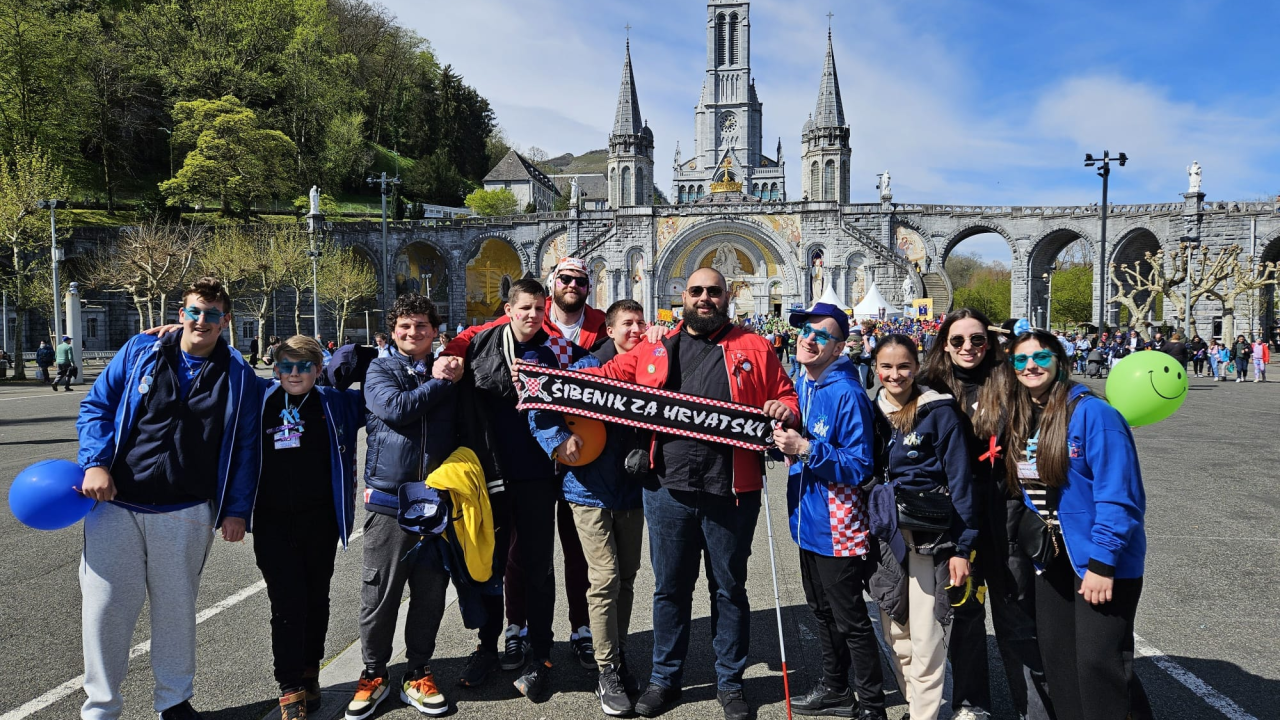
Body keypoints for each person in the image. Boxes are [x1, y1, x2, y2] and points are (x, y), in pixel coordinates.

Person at [586, 267, 800, 720]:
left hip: (732, 489)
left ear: (728, 296)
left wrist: (786, 408)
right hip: (667, 487)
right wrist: (543, 378)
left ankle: (730, 683)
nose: (705, 298)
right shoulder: (656, 344)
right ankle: (665, 679)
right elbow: (601, 376)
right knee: (669, 589)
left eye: (714, 292)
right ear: (683, 296)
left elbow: (788, 396)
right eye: (697, 291)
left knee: (729, 589)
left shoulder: (754, 345)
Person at [75, 277, 260, 720]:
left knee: (176, 612)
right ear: (181, 314)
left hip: (185, 511)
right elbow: (96, 406)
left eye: (212, 314)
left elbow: (246, 448)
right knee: (105, 610)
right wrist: (95, 463)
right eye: (194, 311)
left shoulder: (240, 376)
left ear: (226, 321)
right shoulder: (141, 350)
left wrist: (236, 509)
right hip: (116, 504)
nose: (202, 321)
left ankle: (174, 701)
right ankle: (100, 706)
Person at [445, 258, 603, 677]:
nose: (532, 315)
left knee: (537, 564)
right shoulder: (482, 343)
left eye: (538, 308)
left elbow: (597, 369)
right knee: (489, 563)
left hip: (537, 474)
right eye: (524, 309)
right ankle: (488, 645)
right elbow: (460, 357)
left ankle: (540, 650)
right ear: (509, 310)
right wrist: (450, 356)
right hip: (491, 471)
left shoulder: (554, 351)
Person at [1004, 329, 1152, 720]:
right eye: (1020, 359)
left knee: (1098, 667)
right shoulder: (1025, 414)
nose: (1030, 366)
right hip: (1052, 558)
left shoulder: (1094, 414)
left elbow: (1120, 497)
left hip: (1098, 560)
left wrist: (1103, 564)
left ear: (1061, 361)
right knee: (1061, 664)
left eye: (1040, 357)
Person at [919, 310, 1053, 720]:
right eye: (958, 340)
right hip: (956, 519)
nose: (968, 348)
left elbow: (1052, 408)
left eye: (977, 340)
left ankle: (1035, 710)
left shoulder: (1009, 382)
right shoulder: (929, 387)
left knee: (1017, 621)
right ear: (944, 343)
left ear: (989, 342)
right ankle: (972, 704)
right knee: (964, 618)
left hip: (1006, 515)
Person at [528, 298, 649, 716]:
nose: (635, 330)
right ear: (610, 331)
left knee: (629, 578)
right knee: (605, 579)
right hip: (589, 490)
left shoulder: (654, 371)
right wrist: (559, 441)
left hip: (633, 491)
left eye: (640, 323)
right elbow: (540, 411)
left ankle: (620, 651)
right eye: (626, 324)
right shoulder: (585, 370)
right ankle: (607, 670)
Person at [347, 294, 462, 720]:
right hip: (390, 502)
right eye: (404, 327)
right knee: (380, 593)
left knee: (430, 593)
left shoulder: (451, 369)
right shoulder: (381, 368)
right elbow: (394, 408)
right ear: (393, 331)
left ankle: (418, 671)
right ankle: (374, 674)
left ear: (435, 330)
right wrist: (439, 381)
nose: (413, 333)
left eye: (422, 326)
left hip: (435, 502)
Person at [773, 303, 888, 720]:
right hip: (807, 518)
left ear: (839, 346)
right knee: (822, 612)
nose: (808, 338)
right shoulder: (806, 381)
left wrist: (805, 448)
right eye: (805, 330)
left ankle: (873, 706)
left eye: (821, 334)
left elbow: (859, 466)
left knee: (851, 620)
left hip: (838, 523)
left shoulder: (847, 392)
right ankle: (835, 688)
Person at [866, 334, 976, 720]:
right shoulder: (870, 409)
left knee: (928, 634)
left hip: (933, 537)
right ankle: (916, 704)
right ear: (875, 367)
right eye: (886, 366)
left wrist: (963, 548)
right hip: (885, 534)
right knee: (895, 628)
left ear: (917, 366)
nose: (895, 375)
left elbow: (962, 482)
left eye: (904, 366)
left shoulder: (940, 412)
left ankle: (925, 715)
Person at [253, 336, 363, 718]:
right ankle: (290, 688)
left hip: (321, 521)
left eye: (304, 366)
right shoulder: (260, 401)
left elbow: (381, 394)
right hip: (272, 521)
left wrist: (350, 357)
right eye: (286, 365)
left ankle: (309, 670)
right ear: (275, 368)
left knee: (317, 598)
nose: (294, 373)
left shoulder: (336, 402)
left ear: (319, 369)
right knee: (286, 604)